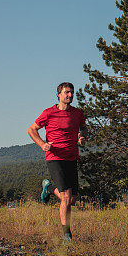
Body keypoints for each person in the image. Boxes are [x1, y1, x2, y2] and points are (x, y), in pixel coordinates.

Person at [27, 82, 86, 244]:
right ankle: (67, 235)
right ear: (58, 94)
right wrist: (42, 144)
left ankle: (49, 187)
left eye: (72, 93)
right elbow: (32, 129)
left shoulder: (77, 113)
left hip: (72, 157)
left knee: (71, 200)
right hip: (54, 157)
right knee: (66, 197)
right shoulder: (49, 113)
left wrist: (82, 137)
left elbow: (83, 127)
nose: (70, 95)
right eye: (67, 92)